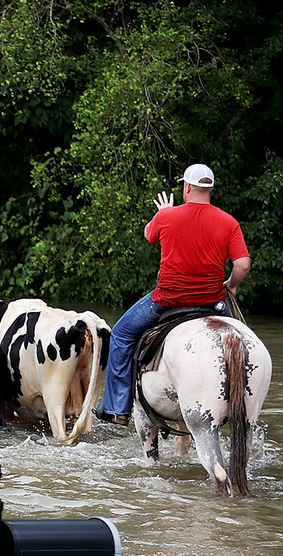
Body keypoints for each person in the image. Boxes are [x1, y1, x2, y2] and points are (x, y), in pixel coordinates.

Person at [95, 163, 252, 425]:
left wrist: (163, 213)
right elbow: (243, 264)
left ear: (187, 187)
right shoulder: (229, 222)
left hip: (167, 301)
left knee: (121, 333)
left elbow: (148, 235)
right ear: (210, 189)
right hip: (212, 304)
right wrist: (232, 284)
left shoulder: (167, 216)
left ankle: (116, 409)